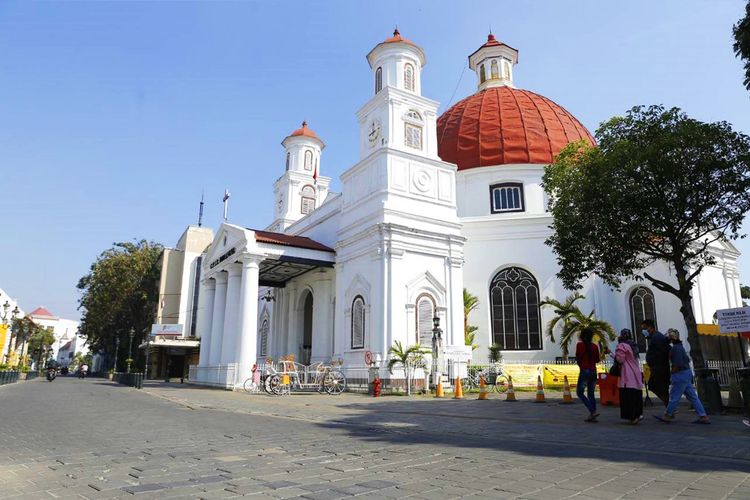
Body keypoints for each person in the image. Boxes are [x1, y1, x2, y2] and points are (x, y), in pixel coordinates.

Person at [658, 329, 710, 424]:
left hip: (680, 375)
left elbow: (677, 365)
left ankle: (668, 415)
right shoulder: (679, 347)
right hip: (686, 373)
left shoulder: (676, 349)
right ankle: (703, 416)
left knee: (674, 396)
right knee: (692, 396)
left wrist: (672, 374)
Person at [614, 329, 643, 424]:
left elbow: (620, 360)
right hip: (636, 373)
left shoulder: (622, 346)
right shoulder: (633, 345)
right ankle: (638, 414)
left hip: (627, 374)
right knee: (636, 395)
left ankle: (632, 417)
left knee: (628, 397)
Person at [642, 319, 670, 405]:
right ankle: (669, 407)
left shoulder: (657, 337)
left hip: (660, 368)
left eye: (644, 328)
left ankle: (669, 406)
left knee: (660, 388)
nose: (643, 331)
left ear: (650, 327)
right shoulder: (654, 337)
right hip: (656, 367)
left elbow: (664, 352)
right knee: (655, 387)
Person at [575, 328, 600, 422]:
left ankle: (592, 411)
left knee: (580, 392)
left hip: (584, 370)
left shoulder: (579, 345)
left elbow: (577, 357)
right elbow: (597, 360)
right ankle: (592, 415)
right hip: (593, 371)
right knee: (591, 393)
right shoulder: (594, 346)